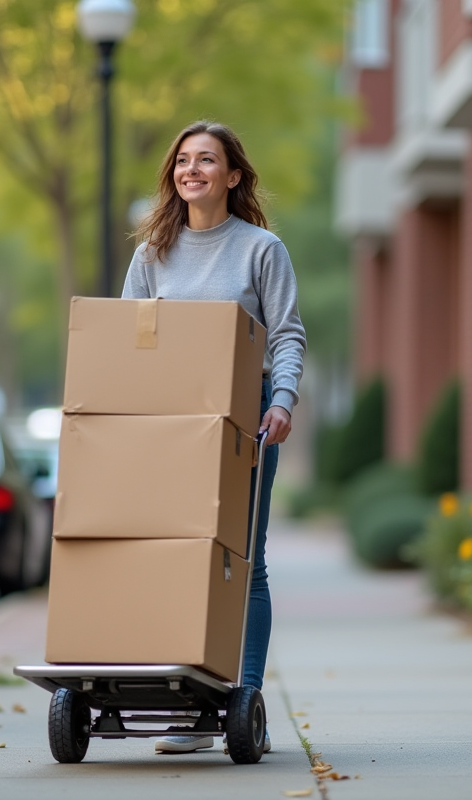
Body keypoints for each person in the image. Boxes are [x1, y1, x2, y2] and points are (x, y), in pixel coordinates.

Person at [121, 121, 307, 755]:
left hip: (244, 413)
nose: (190, 169)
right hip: (169, 419)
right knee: (177, 557)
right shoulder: (151, 253)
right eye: (181, 160)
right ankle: (187, 706)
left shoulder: (262, 249)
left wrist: (281, 401)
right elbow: (129, 338)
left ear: (232, 176)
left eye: (206, 160)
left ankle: (241, 702)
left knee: (242, 561)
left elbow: (285, 334)